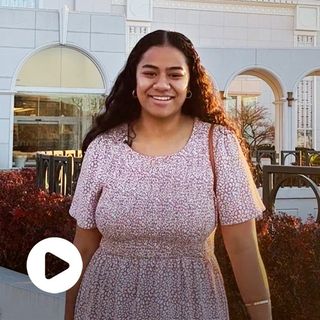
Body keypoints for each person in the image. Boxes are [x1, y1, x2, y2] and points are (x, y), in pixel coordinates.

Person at [65, 30, 272, 320]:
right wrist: (69, 313)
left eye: (175, 74)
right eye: (150, 73)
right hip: (105, 303)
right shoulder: (103, 148)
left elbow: (242, 247)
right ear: (133, 82)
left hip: (192, 305)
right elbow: (84, 247)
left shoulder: (219, 145)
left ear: (190, 84)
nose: (162, 84)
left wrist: (262, 314)